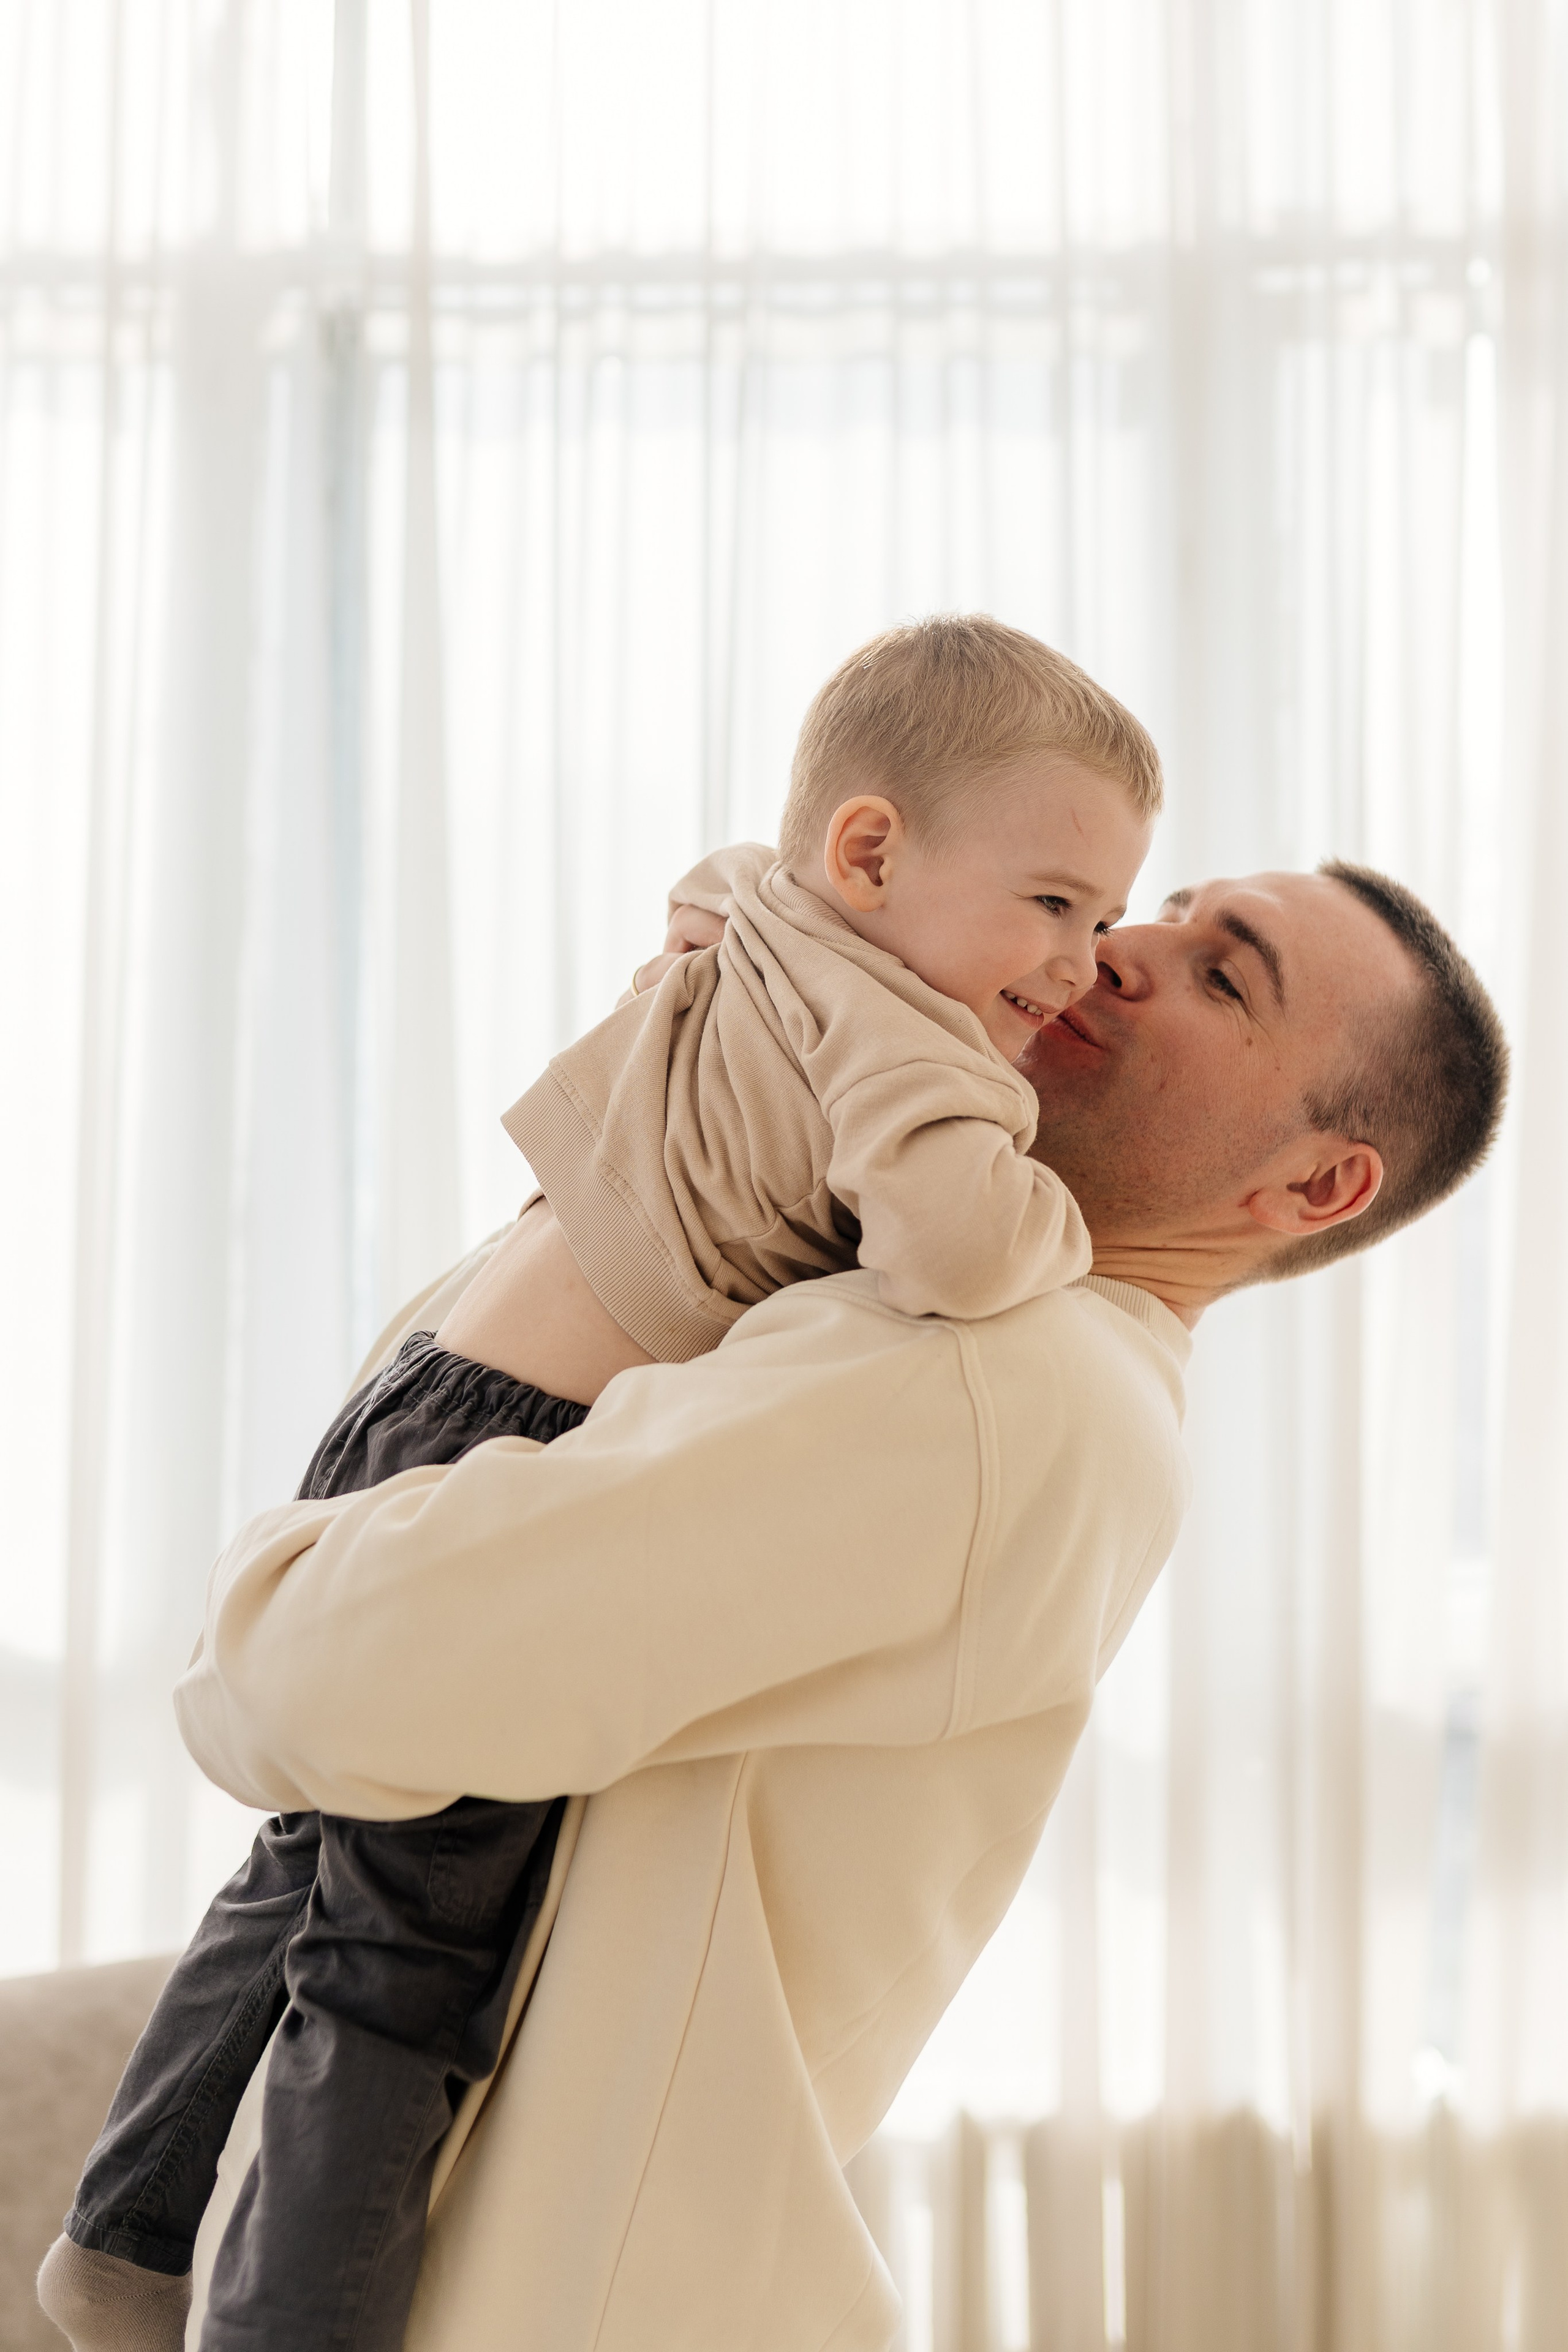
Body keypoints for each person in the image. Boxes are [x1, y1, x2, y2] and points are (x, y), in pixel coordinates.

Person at [134, 854, 1512, 2349]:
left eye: (1223, 974)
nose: (1122, 947)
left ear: (1313, 1186)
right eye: (1161, 909)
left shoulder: (1002, 1381)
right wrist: (674, 1102)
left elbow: (289, 1674)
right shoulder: (969, 1342)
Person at [40, 618, 1164, 2352]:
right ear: (872, 849)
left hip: (422, 1394)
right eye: (1058, 906)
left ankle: (128, 2233)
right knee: (401, 1970)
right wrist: (1062, 1229)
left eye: (1103, 918)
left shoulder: (775, 914)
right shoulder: (921, 1059)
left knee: (309, 1861)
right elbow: (953, 1243)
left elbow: (722, 874)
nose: (1084, 965)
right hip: (524, 1438)